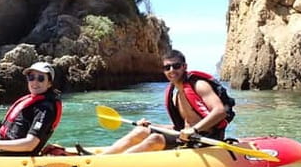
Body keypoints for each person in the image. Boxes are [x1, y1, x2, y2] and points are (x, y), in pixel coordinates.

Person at [99, 50, 233, 154]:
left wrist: (194, 130)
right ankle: (102, 157)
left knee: (155, 139)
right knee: (141, 130)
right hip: (185, 136)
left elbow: (220, 112)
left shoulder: (199, 85)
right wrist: (152, 125)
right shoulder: (175, 93)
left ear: (184, 66)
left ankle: (114, 164)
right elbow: (180, 127)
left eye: (176, 66)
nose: (171, 70)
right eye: (167, 67)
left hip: (206, 138)